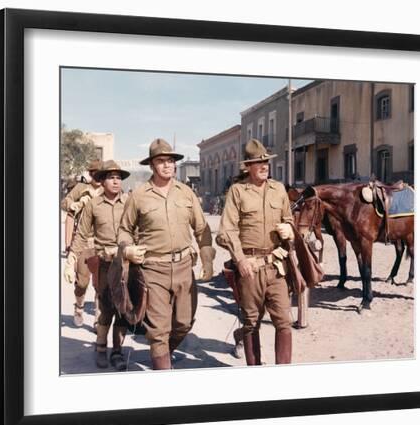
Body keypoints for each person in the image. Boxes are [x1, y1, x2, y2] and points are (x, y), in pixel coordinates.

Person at [118, 138, 216, 370]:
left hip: (184, 267)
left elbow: (202, 229)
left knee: (183, 323)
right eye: (161, 161)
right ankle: (163, 371)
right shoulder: (139, 195)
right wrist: (128, 249)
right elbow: (124, 230)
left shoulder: (186, 193)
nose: (167, 165)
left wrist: (207, 258)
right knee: (159, 330)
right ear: (151, 165)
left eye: (171, 161)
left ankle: (164, 355)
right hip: (153, 270)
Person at [216, 139, 295, 366]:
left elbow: (288, 218)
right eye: (257, 162)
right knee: (251, 322)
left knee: (283, 321)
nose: (263, 166)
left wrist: (289, 228)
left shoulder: (278, 189)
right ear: (247, 166)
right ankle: (255, 372)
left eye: (266, 162)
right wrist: (240, 260)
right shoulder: (238, 192)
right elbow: (226, 231)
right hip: (249, 266)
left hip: (276, 265)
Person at [65, 160, 131, 370]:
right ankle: (101, 347)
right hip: (104, 264)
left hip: (126, 264)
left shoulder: (130, 202)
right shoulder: (93, 205)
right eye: (111, 177)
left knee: (123, 310)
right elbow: (82, 234)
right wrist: (71, 259)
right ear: (102, 181)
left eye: (118, 177)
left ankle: (118, 351)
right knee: (105, 308)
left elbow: (139, 230)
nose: (115, 181)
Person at [61, 159, 103, 327]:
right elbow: (64, 203)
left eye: (101, 174)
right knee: (82, 282)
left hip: (101, 242)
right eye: (94, 173)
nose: (98, 177)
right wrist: (75, 204)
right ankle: (79, 307)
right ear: (90, 174)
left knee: (101, 284)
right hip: (83, 242)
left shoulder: (107, 189)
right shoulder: (80, 188)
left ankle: (98, 318)